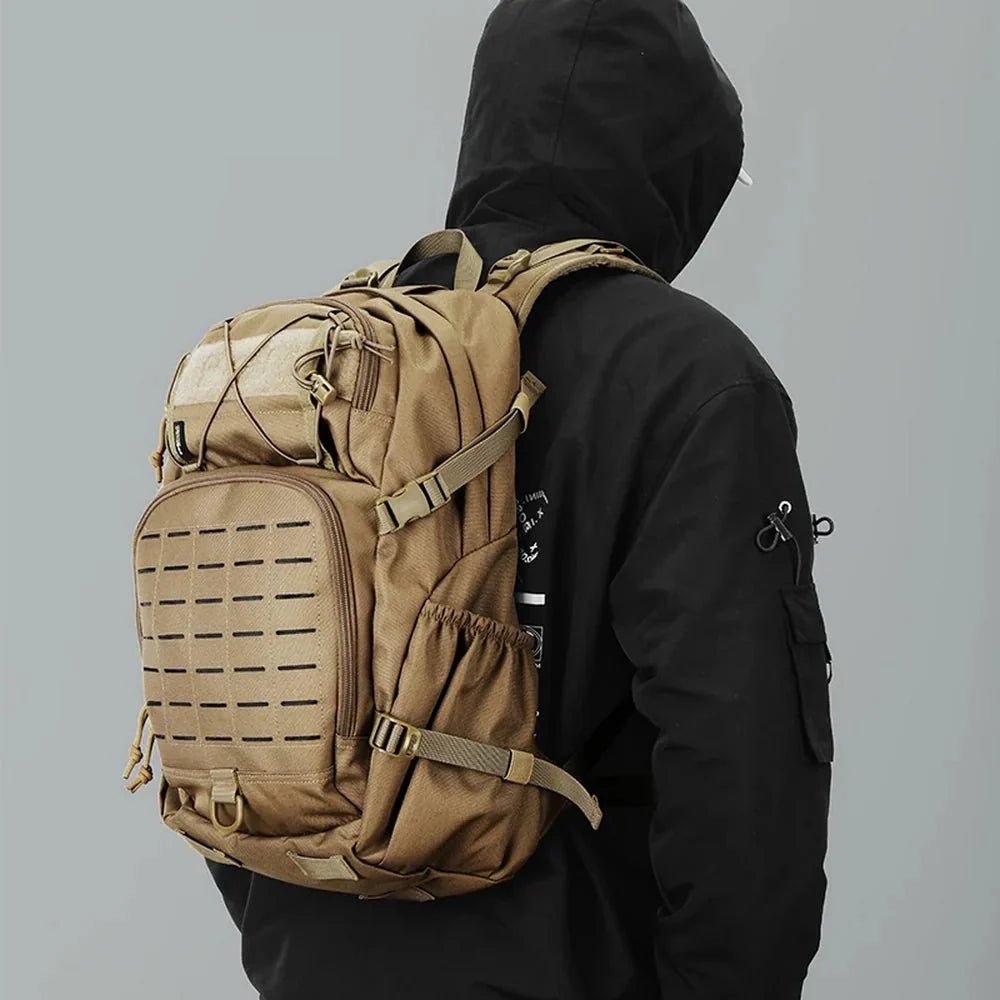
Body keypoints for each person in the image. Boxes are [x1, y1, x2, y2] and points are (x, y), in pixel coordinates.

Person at [209, 2, 832, 997]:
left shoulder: (321, 360)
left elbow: (237, 695)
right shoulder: (687, 376)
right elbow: (741, 770)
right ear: (679, 160)